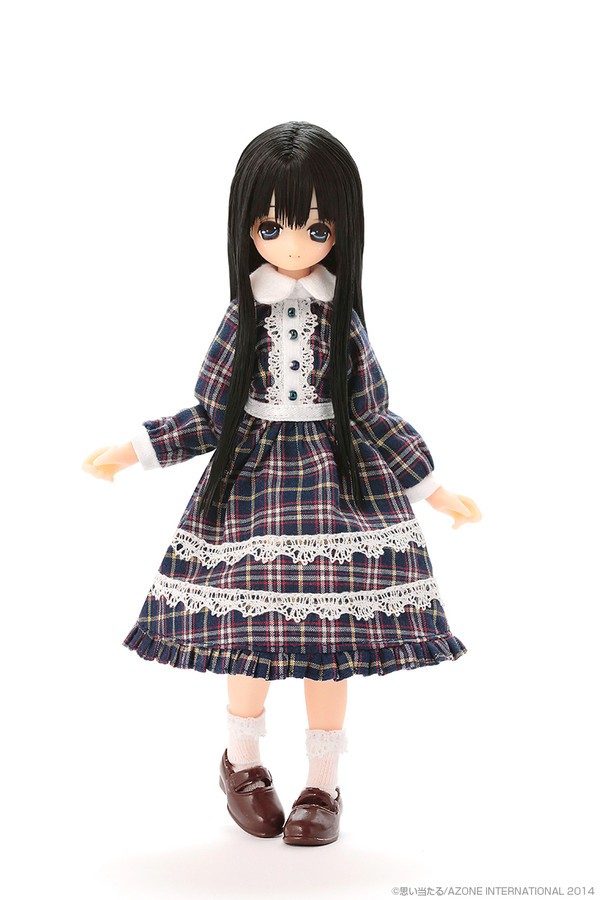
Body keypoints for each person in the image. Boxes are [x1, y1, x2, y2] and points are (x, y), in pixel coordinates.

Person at [82, 121, 481, 846]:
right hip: (252, 493)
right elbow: (212, 413)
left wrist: (430, 485)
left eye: (315, 228)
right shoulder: (244, 319)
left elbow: (372, 415)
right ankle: (242, 764)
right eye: (272, 227)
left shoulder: (341, 322)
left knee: (331, 643)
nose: (294, 246)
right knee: (251, 636)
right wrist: (136, 449)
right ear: (247, 228)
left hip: (338, 493)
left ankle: (323, 782)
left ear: (342, 231)